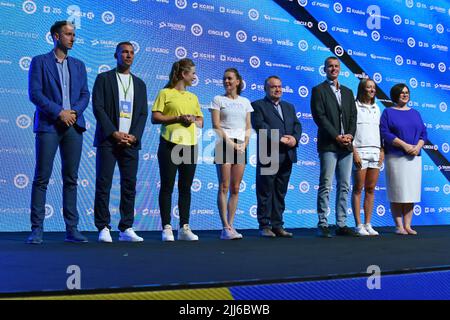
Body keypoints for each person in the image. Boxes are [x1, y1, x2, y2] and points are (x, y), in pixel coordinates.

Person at [27, 21, 90, 244]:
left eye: (74, 34)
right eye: (68, 34)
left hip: (74, 125)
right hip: (49, 125)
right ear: (56, 36)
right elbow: (35, 94)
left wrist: (73, 113)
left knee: (71, 179)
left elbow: (84, 94)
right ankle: (37, 230)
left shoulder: (79, 65)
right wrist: (59, 113)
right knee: (42, 178)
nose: (72, 38)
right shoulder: (39, 62)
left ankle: (72, 229)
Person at [92, 42, 148, 242]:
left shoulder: (140, 84)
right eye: (124, 52)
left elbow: (143, 113)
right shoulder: (104, 78)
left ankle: (126, 227)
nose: (128, 55)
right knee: (104, 182)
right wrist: (113, 132)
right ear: (115, 55)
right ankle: (103, 227)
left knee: (129, 185)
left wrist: (134, 136)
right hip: (109, 140)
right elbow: (98, 107)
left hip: (131, 142)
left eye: (132, 52)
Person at [152, 58, 204, 241]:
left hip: (190, 145)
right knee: (167, 186)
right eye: (193, 73)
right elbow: (155, 117)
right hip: (169, 144)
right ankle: (167, 227)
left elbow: (201, 121)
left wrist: (192, 119)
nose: (195, 76)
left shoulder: (193, 97)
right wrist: (176, 118)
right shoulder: (165, 93)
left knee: (185, 187)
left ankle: (184, 227)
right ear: (184, 74)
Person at [310, 56, 357, 238]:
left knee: (344, 185)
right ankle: (323, 223)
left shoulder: (347, 91)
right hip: (329, 144)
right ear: (325, 69)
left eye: (336, 66)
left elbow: (353, 117)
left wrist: (350, 136)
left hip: (346, 146)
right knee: (326, 184)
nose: (333, 69)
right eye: (330, 66)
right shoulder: (318, 90)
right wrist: (336, 136)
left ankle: (342, 223)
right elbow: (319, 117)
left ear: (340, 69)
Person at [251, 76, 302, 238]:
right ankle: (265, 225)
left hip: (287, 154)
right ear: (266, 89)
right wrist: (279, 138)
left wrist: (294, 139)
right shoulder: (258, 105)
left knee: (280, 192)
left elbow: (296, 125)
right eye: (273, 87)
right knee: (265, 191)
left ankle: (278, 225)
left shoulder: (289, 106)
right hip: (268, 154)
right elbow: (260, 125)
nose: (277, 89)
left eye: (280, 86)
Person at [210, 68, 253, 240]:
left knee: (235, 188)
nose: (226, 81)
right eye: (224, 79)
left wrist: (245, 143)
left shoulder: (245, 102)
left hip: (241, 145)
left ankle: (231, 225)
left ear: (238, 81)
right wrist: (231, 144)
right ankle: (224, 227)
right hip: (224, 144)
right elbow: (216, 125)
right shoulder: (218, 100)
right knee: (224, 186)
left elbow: (248, 126)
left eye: (229, 78)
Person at [380, 84, 427, 235]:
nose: (405, 95)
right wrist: (405, 146)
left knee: (410, 192)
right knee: (397, 191)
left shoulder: (416, 113)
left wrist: (418, 147)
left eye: (407, 92)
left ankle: (408, 225)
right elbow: (385, 133)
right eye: (401, 93)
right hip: (396, 157)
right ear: (395, 95)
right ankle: (399, 226)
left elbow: (424, 134)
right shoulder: (388, 112)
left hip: (414, 157)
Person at [351, 79, 383, 236]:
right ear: (362, 89)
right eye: (368, 87)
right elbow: (349, 129)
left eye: (373, 88)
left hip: (375, 152)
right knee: (358, 188)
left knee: (370, 189)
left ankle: (368, 223)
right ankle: (358, 225)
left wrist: (382, 150)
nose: (371, 90)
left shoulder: (377, 108)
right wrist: (354, 151)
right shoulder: (354, 106)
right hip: (360, 151)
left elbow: (381, 132)